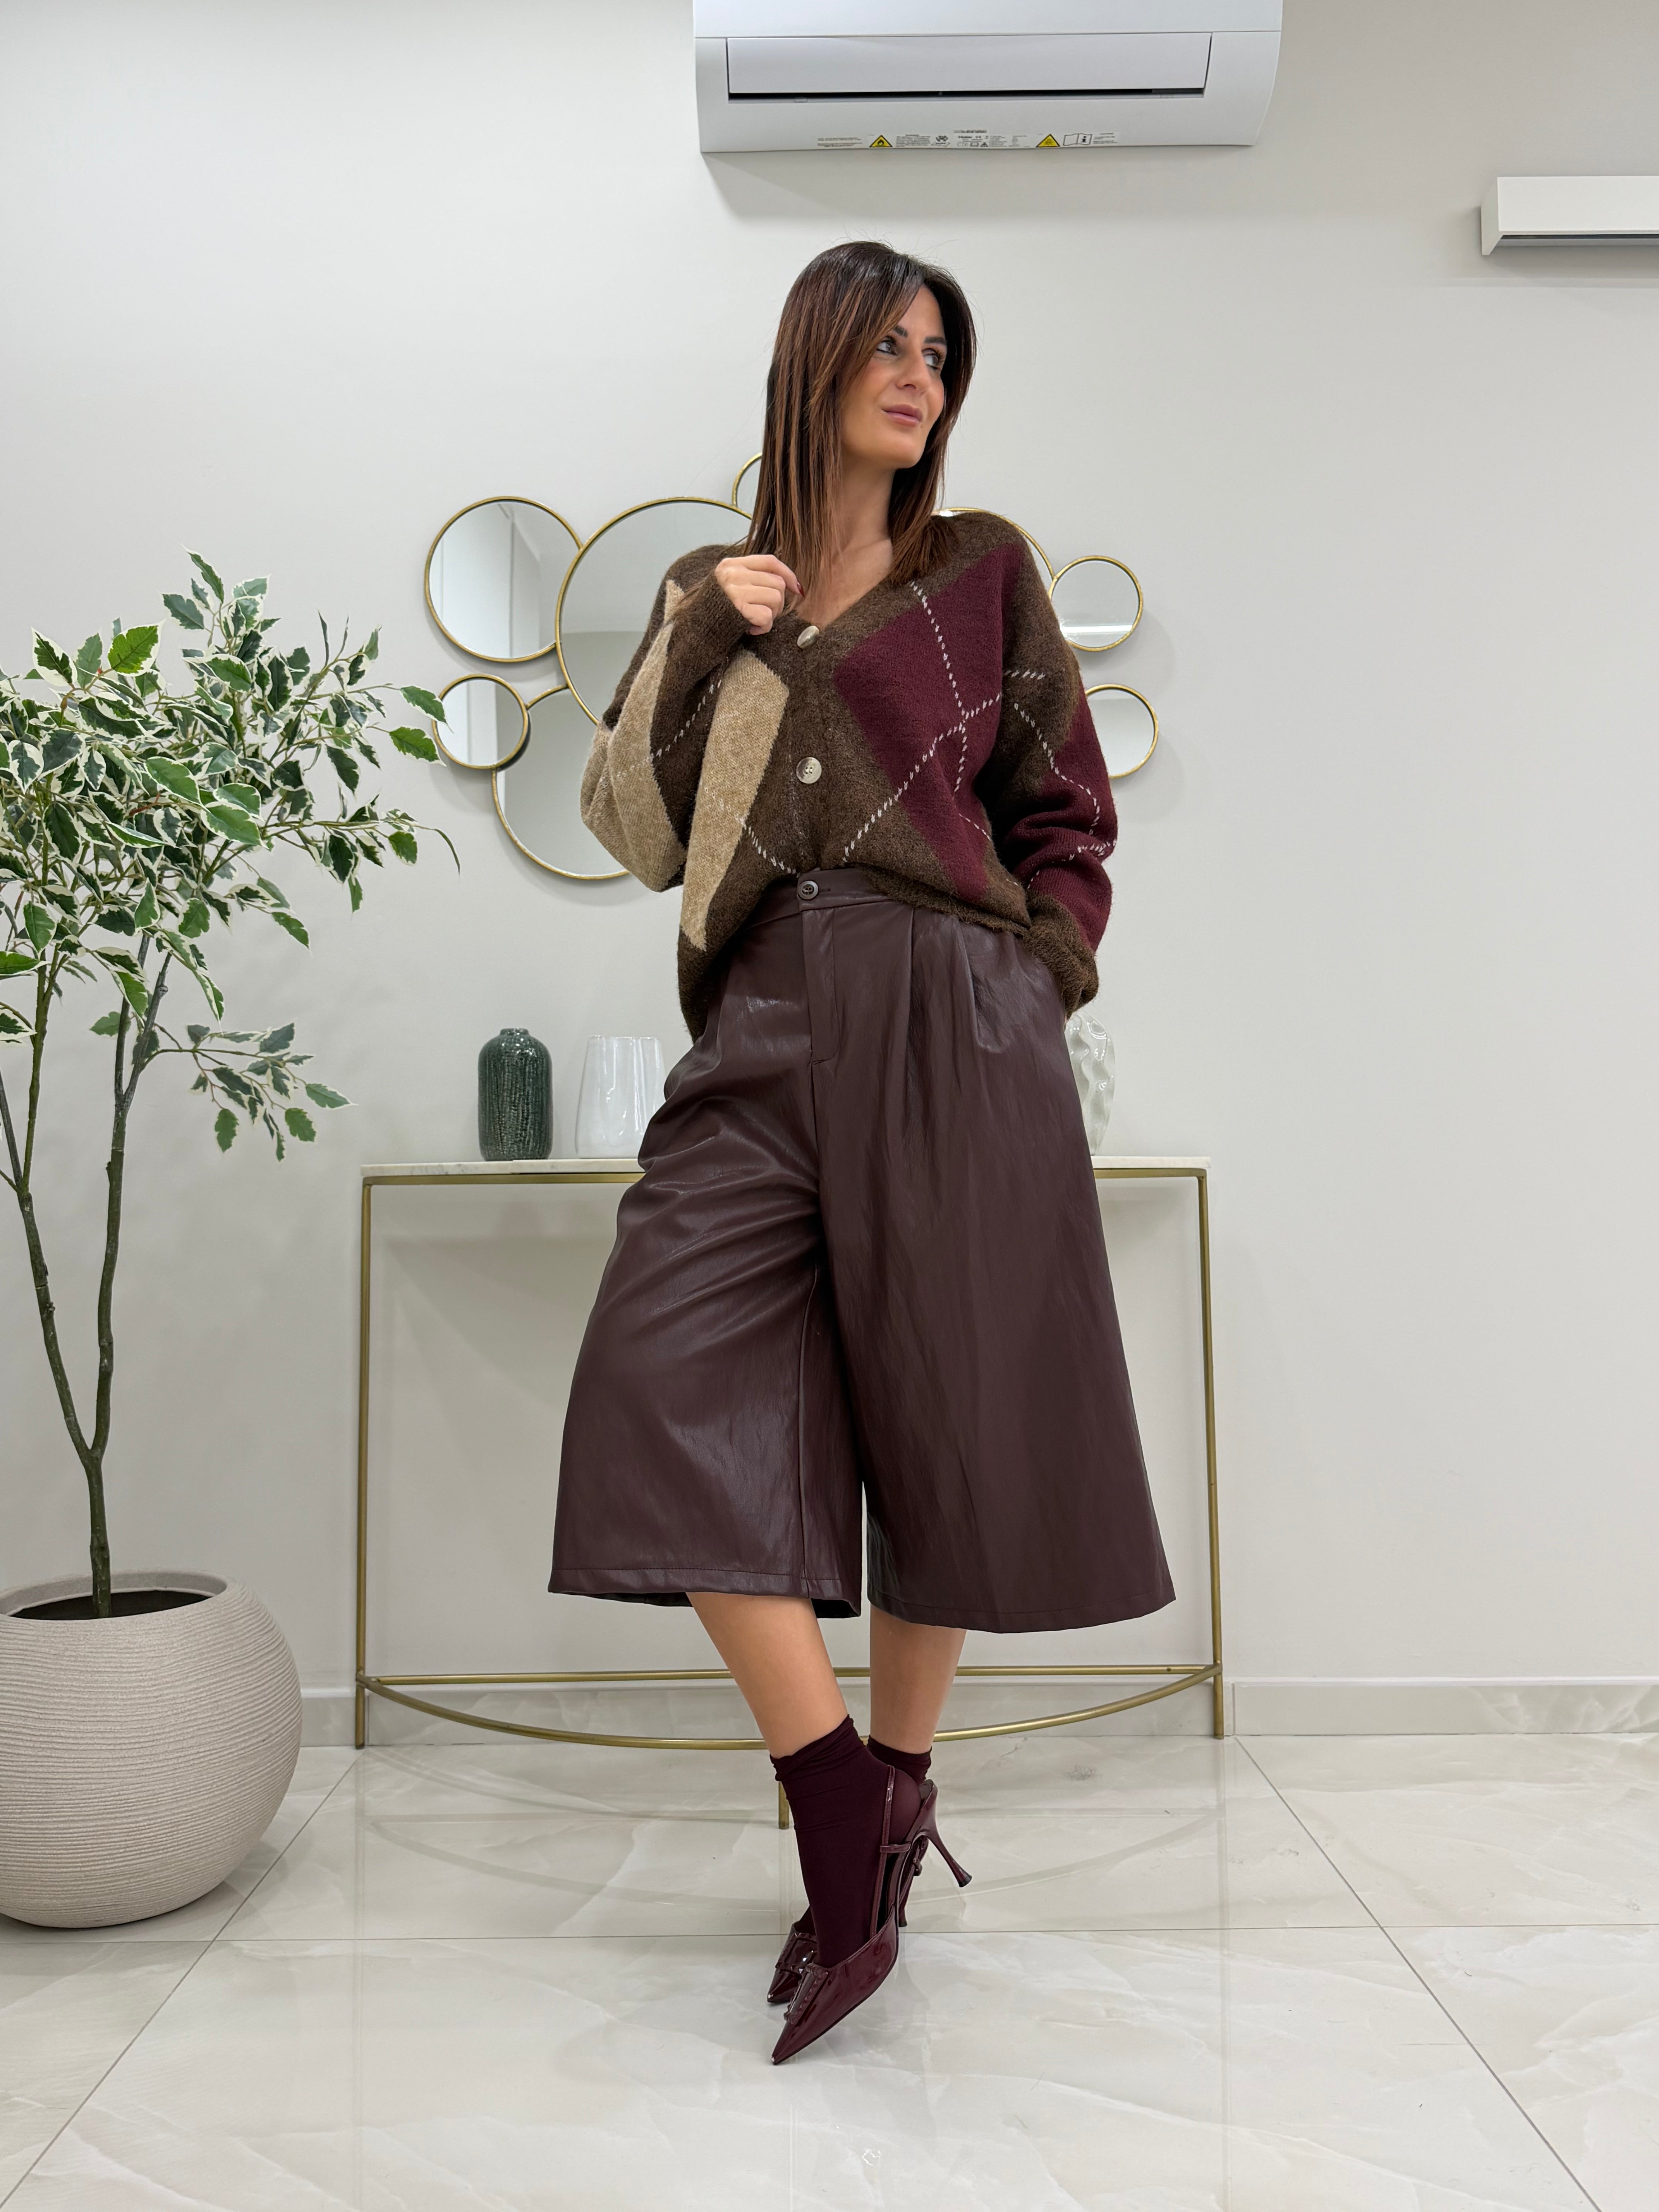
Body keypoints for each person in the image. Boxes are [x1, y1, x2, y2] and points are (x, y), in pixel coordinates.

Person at [550, 239, 1173, 2063]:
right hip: (757, 1017)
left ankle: (897, 1782)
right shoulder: (713, 590)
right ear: (812, 359)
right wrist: (697, 632)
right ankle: (844, 1801)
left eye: (939, 353)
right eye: (888, 343)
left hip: (950, 1012)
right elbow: (634, 832)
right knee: (659, 1377)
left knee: (943, 1416)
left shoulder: (981, 572)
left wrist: (1034, 980)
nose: (919, 375)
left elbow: (1067, 814)